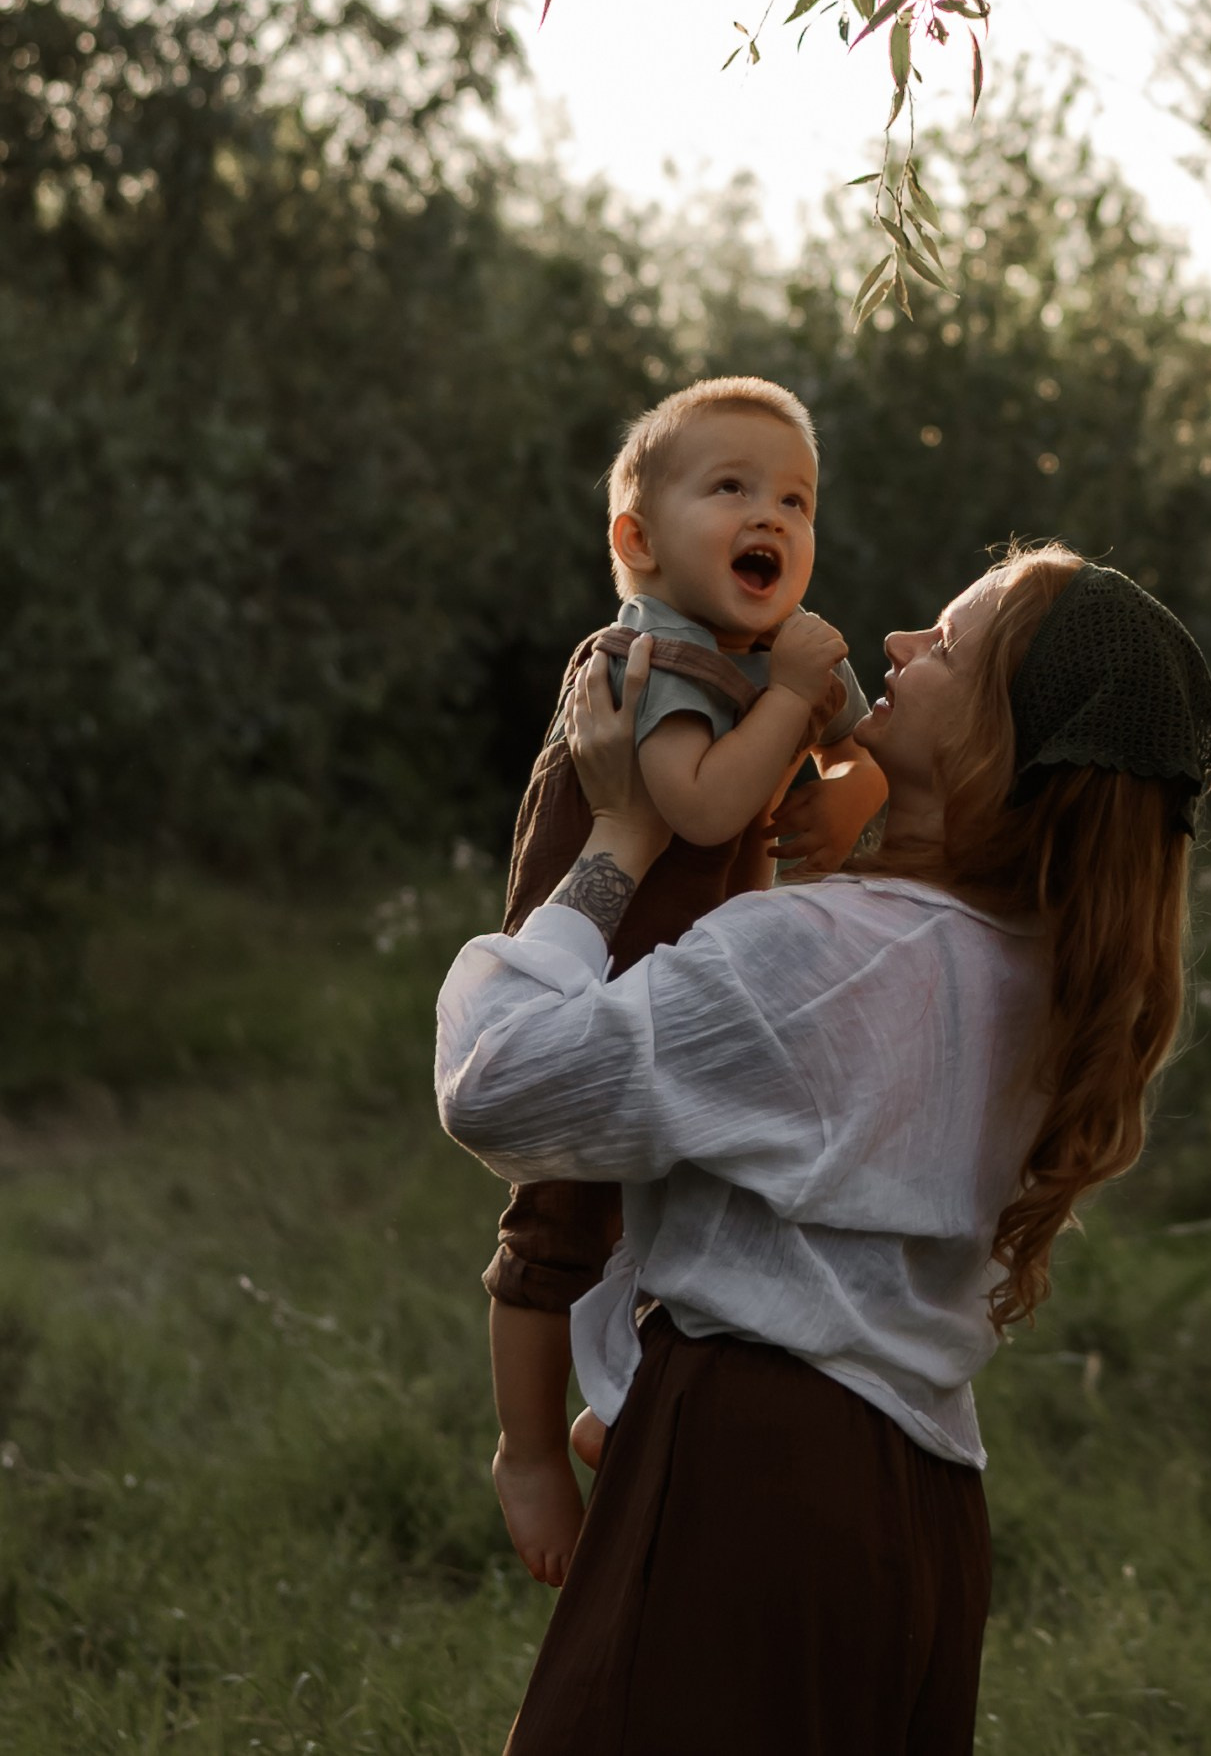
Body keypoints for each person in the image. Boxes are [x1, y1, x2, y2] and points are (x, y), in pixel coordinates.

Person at [436, 543, 1211, 1756]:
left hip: (750, 1484)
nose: (902, 647)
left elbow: (497, 1085)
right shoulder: (1046, 978)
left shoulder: (822, 956)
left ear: (1006, 742)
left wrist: (613, 842)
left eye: (950, 647)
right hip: (924, 1517)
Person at [483, 374, 891, 1587]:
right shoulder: (645, 657)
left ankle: (619, 1403)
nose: (771, 514)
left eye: (796, 498)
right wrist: (797, 704)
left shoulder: (787, 654)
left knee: (705, 1219)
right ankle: (524, 1448)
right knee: (559, 1226)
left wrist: (840, 794)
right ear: (638, 540)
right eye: (730, 488)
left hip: (695, 1004)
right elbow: (703, 802)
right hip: (582, 993)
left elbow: (860, 776)